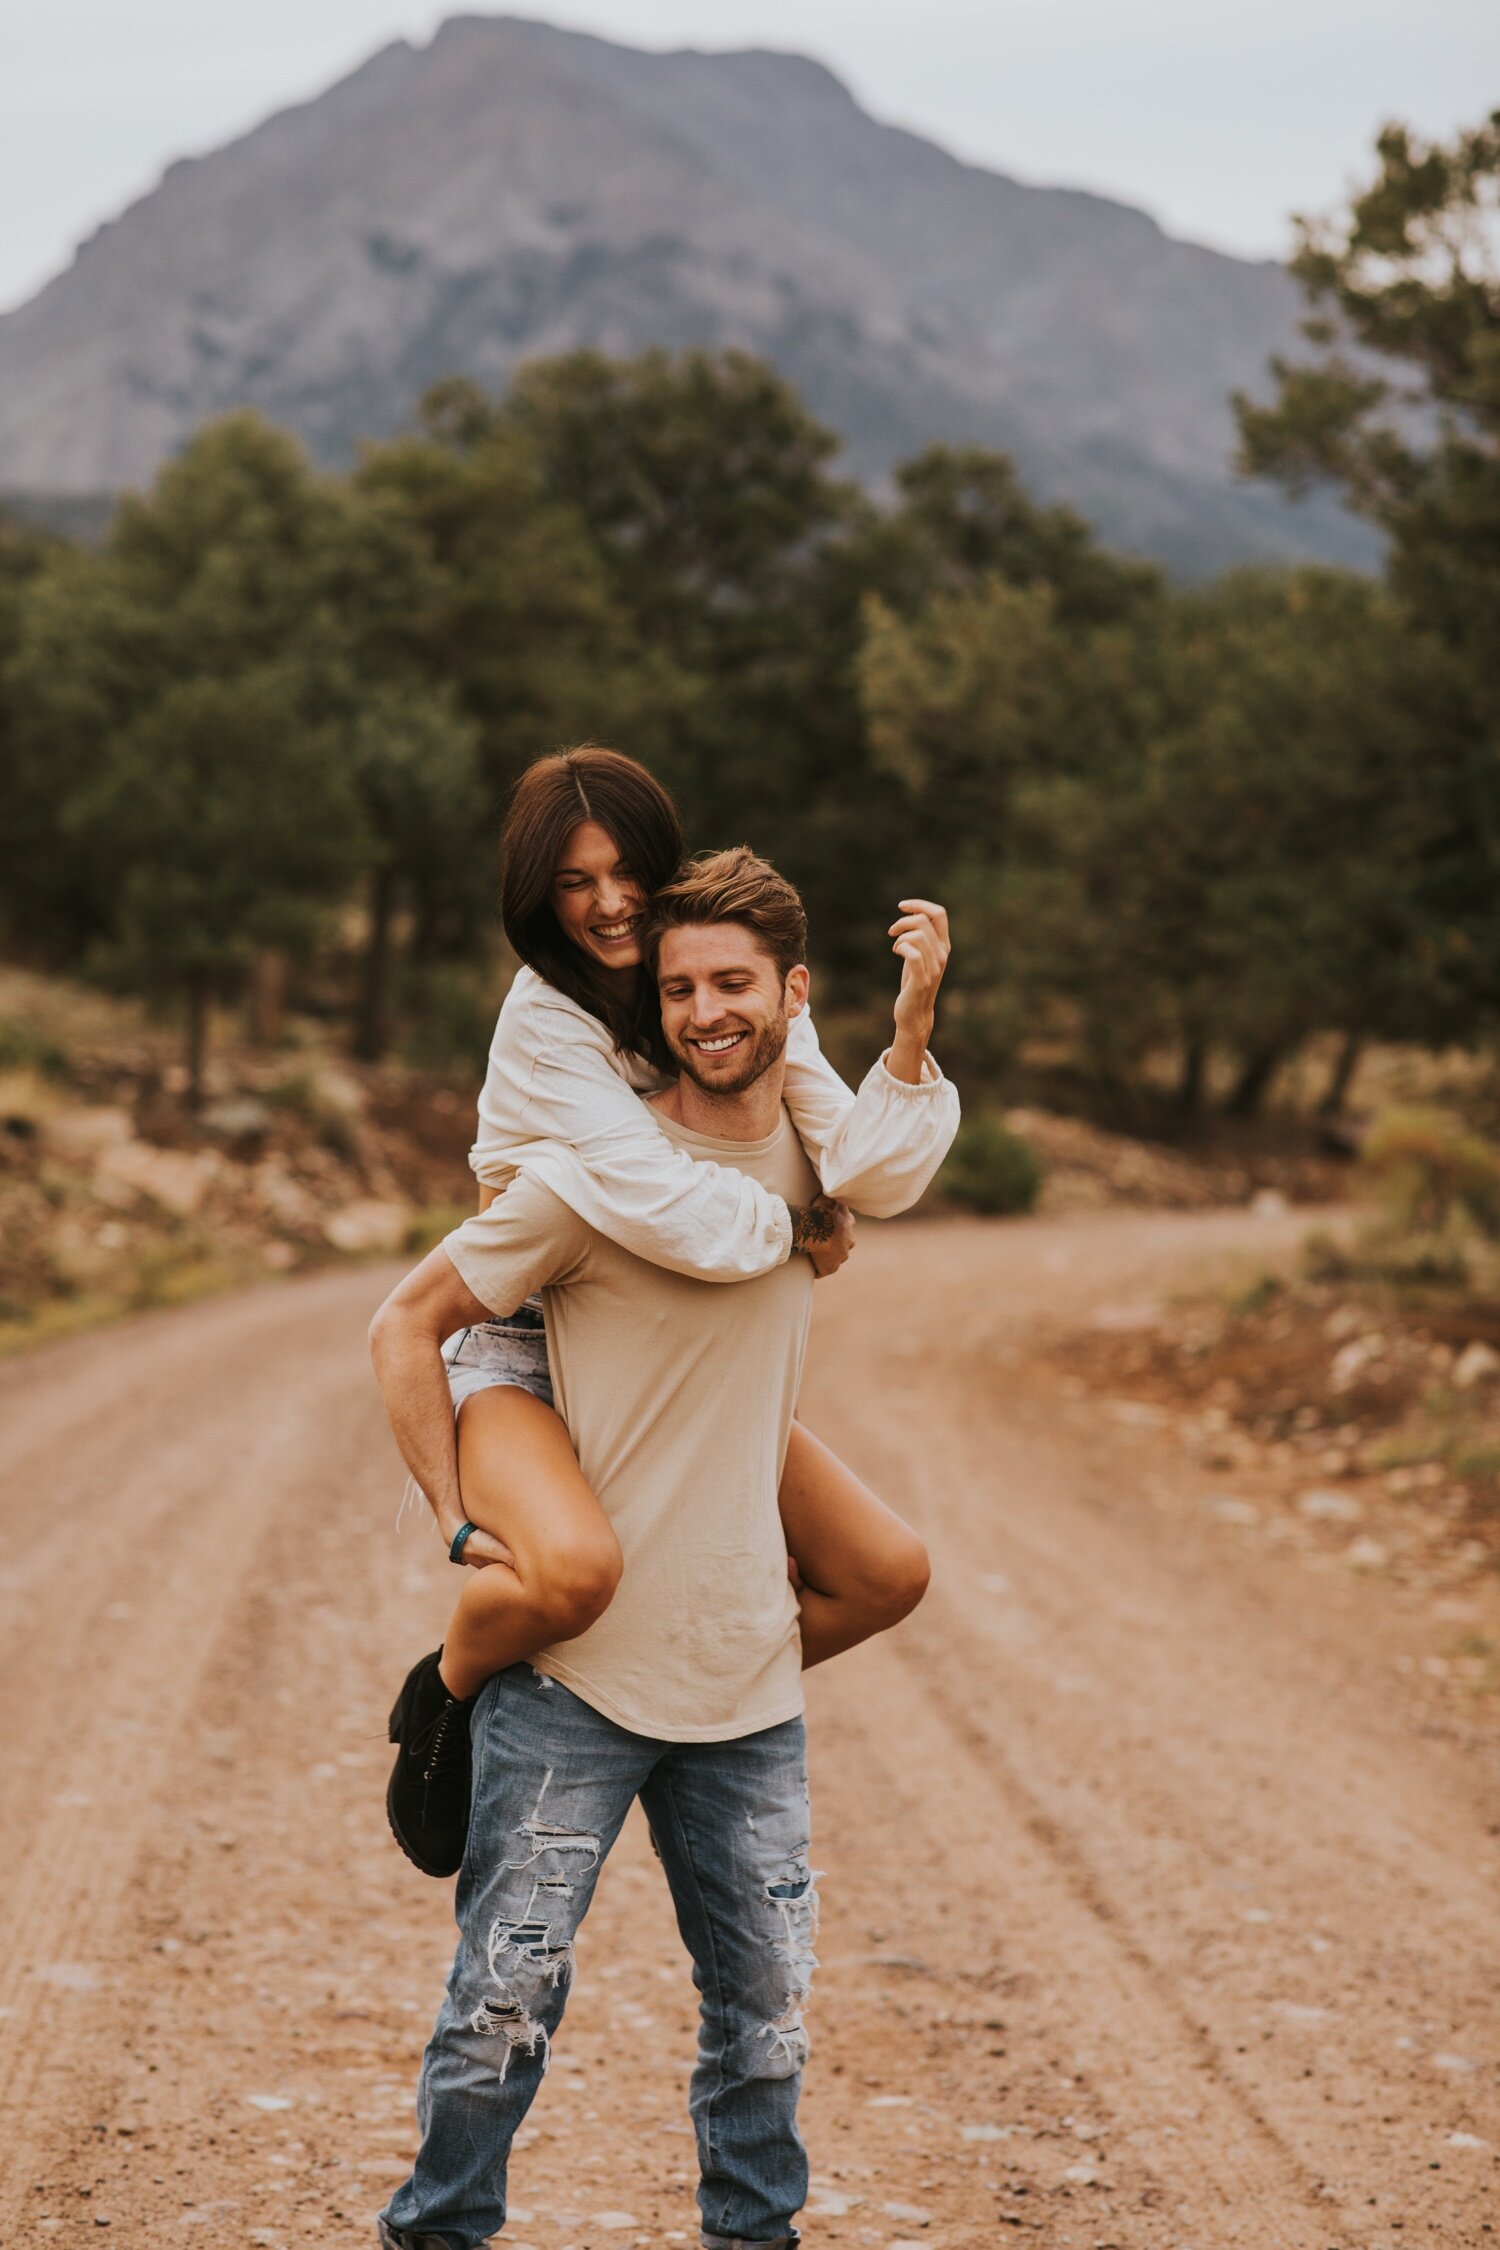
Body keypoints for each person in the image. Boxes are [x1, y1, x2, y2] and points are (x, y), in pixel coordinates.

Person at [369, 848, 957, 2250]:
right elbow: (411, 1320)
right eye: (678, 986)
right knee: (501, 2015)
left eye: (734, 983)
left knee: (765, 2027)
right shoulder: (588, 1178)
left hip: (747, 1698)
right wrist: (459, 1520)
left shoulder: (821, 1167)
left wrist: (919, 1018)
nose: (704, 1010)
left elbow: (893, 1144)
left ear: (790, 994)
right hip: (573, 1682)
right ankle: (436, 2233)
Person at [383, 746, 958, 1878]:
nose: (606, 902)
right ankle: (447, 1690)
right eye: (570, 882)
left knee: (886, 1572)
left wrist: (909, 1033)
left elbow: (864, 1161)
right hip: (538, 1340)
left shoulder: (701, 981)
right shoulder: (548, 1026)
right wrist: (802, 1229)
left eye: (622, 869)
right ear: (536, 897)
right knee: (572, 1575)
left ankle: (684, 1700)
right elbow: (674, 1208)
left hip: (665, 1357)